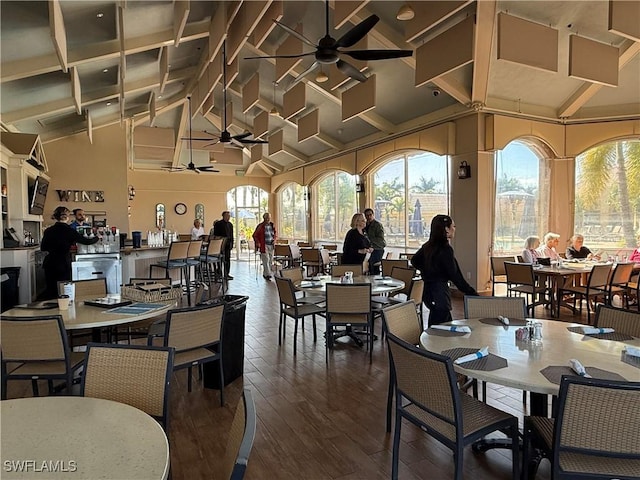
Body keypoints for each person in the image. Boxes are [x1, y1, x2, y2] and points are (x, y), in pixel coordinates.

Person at [411, 214, 478, 325]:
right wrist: (472, 293)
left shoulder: (428, 246)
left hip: (428, 293)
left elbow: (415, 261)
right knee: (442, 330)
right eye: (453, 226)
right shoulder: (446, 250)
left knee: (436, 326)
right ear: (446, 229)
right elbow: (455, 275)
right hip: (440, 294)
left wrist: (427, 272)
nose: (454, 229)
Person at [40, 206, 100, 300]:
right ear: (67, 217)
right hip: (63, 263)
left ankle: (49, 310)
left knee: (51, 290)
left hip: (49, 263)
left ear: (56, 217)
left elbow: (43, 247)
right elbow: (86, 242)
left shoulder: (48, 231)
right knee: (63, 290)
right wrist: (98, 237)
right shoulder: (69, 231)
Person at [253, 212, 277, 280]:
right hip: (264, 245)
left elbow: (275, 234)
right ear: (264, 218)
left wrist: (274, 240)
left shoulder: (272, 225)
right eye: (267, 218)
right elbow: (255, 235)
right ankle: (268, 274)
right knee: (265, 260)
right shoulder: (260, 226)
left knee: (270, 260)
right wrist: (258, 242)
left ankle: (265, 273)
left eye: (269, 218)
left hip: (271, 245)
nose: (268, 219)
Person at [211, 211, 234, 280]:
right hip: (220, 244)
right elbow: (216, 235)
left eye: (229, 216)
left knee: (227, 259)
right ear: (223, 216)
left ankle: (227, 274)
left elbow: (231, 235)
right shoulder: (218, 224)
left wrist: (232, 244)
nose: (228, 217)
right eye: (227, 216)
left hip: (228, 244)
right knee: (219, 259)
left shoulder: (230, 224)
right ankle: (219, 273)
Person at [364, 208, 385, 275]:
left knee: (373, 265)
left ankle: (374, 278)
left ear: (373, 215)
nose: (369, 217)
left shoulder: (377, 225)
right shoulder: (364, 225)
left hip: (377, 248)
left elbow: (381, 239)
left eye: (370, 215)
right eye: (367, 215)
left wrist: (369, 239)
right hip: (369, 249)